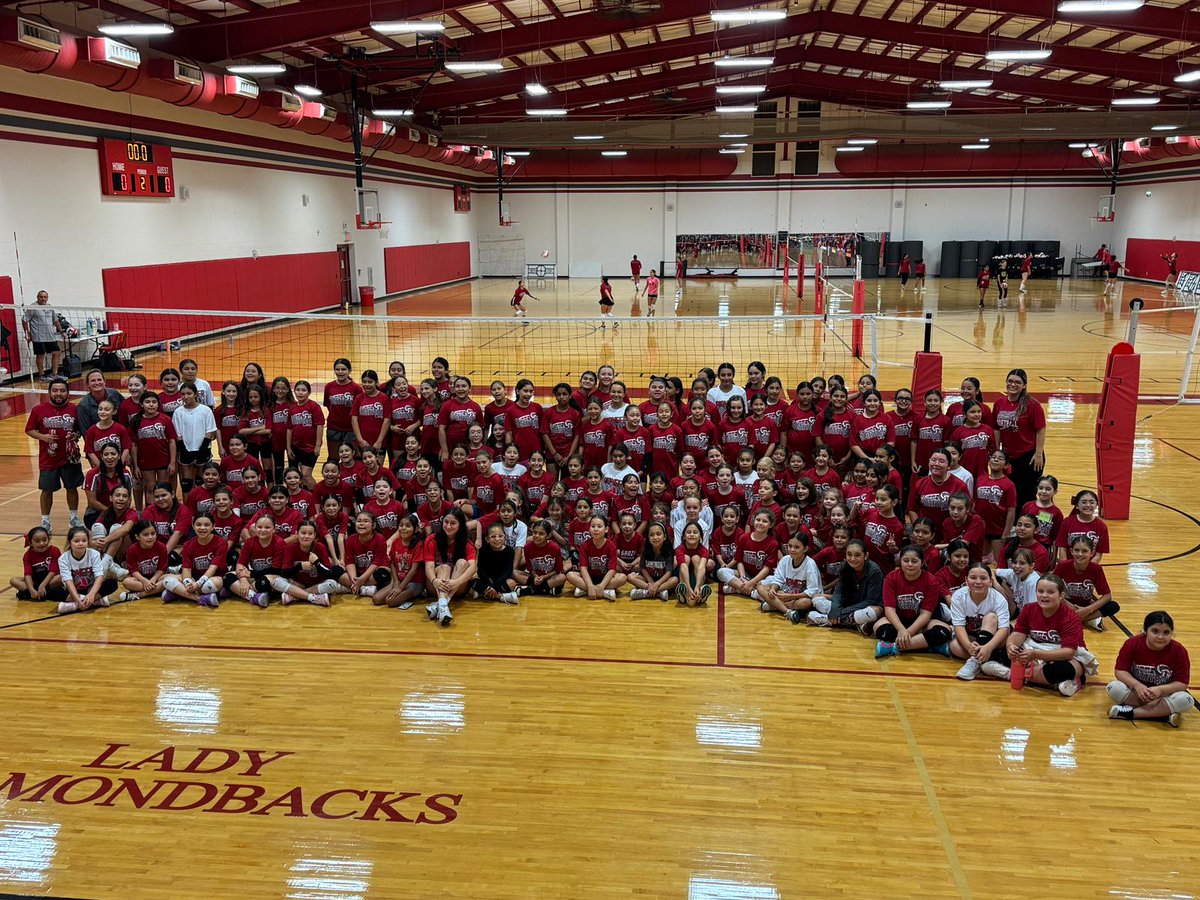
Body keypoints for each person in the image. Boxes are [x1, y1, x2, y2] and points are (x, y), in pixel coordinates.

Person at [1001, 573, 1099, 695]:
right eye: (1040, 591)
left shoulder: (1070, 617)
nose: (1044, 596)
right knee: (1002, 652)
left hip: (1064, 654)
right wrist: (1011, 645)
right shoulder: (1029, 609)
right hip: (1036, 649)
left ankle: (1013, 674)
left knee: (1061, 669)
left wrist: (1036, 655)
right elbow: (1018, 633)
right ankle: (1056, 682)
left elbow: (1068, 652)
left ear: (1061, 595)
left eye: (1050, 592)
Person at [1108, 611, 1192, 726]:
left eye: (1166, 632)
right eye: (1155, 631)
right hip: (1136, 693)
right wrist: (1137, 685)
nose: (1160, 637)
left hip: (1163, 695)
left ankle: (1129, 713)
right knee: (1113, 687)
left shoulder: (1179, 651)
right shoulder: (1132, 644)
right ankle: (1163, 715)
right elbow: (1120, 671)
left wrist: (1160, 690)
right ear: (1145, 631)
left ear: (1172, 634)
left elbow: (1182, 683)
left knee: (1186, 700)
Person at [873, 545, 952, 659]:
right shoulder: (891, 578)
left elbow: (926, 614)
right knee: (882, 630)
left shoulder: (931, 581)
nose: (909, 564)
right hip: (898, 621)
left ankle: (893, 647)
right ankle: (929, 646)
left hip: (922, 622)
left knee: (943, 632)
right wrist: (901, 630)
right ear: (900, 561)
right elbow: (889, 609)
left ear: (922, 562)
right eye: (905, 560)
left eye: (914, 561)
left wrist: (908, 633)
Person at [25, 377, 83, 533]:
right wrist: (44, 437)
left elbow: (81, 430)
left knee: (72, 488)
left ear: (68, 393)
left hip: (70, 457)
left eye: (62, 391)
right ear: (49, 392)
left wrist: (76, 436)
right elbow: (29, 429)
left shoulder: (75, 409)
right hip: (48, 458)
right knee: (46, 490)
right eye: (55, 390)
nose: (59, 394)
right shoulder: (39, 410)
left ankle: (73, 518)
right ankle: (45, 521)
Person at [992, 368, 1046, 509]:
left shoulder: (1032, 405)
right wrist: (998, 451)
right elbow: (996, 429)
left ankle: (1026, 525)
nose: (1013, 385)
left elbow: (1040, 429)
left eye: (1017, 382)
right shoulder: (999, 403)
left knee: (1027, 494)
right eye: (1010, 381)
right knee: (1011, 492)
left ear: (1024, 385)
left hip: (1029, 456)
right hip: (1009, 456)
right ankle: (1013, 524)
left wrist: (1039, 453)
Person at [948, 562, 1011, 680]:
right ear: (966, 580)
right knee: (954, 646)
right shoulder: (958, 596)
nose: (978, 582)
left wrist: (988, 647)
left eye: (983, 578)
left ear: (991, 581)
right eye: (973, 578)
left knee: (991, 617)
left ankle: (975, 661)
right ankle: (992, 662)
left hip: (996, 638)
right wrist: (968, 646)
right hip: (973, 637)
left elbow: (1004, 629)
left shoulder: (998, 599)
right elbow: (959, 626)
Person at [808, 539, 883, 628]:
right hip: (847, 604)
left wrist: (841, 613)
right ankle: (855, 623)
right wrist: (835, 610)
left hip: (863, 607)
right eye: (849, 554)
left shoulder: (874, 571)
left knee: (876, 611)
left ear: (866, 555)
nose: (852, 559)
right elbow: (838, 592)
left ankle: (828, 620)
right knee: (816, 598)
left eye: (857, 555)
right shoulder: (844, 566)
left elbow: (871, 600)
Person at [753, 532, 824, 623]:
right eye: (790, 546)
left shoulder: (810, 564)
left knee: (807, 603)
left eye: (797, 547)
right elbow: (778, 579)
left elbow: (812, 591)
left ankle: (773, 606)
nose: (792, 549)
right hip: (786, 593)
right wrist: (773, 589)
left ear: (805, 549)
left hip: (800, 597)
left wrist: (790, 596)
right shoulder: (785, 559)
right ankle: (788, 611)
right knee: (760, 587)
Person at [424, 508, 477, 626]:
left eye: (453, 523)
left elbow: (473, 568)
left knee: (463, 562)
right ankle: (443, 606)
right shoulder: (432, 539)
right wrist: (434, 580)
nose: (448, 526)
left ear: (460, 525)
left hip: (457, 587)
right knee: (445, 567)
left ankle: (440, 605)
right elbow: (429, 567)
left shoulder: (466, 543)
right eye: (446, 522)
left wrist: (457, 582)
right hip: (435, 585)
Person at [56, 525, 118, 614]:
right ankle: (97, 601)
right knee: (53, 592)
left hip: (91, 588)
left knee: (112, 583)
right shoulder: (63, 558)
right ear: (70, 542)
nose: (81, 543)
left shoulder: (94, 554)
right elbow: (68, 581)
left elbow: (99, 576)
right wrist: (78, 600)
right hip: (74, 591)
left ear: (88, 542)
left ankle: (73, 606)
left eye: (84, 541)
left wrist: (92, 594)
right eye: (76, 541)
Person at [172, 383, 217, 497]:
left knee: (201, 481)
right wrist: (185, 450)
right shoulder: (178, 412)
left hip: (203, 450)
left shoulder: (206, 410)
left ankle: (202, 510)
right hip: (185, 451)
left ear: (195, 394)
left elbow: (210, 432)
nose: (186, 396)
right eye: (183, 394)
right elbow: (178, 434)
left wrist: (201, 450)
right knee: (186, 483)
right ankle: (188, 511)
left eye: (189, 393)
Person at [11, 525, 64, 602]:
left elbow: (53, 571)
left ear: (48, 539)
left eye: (44, 540)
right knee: (14, 580)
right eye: (37, 541)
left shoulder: (54, 550)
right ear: (31, 543)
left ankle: (29, 594)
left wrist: (42, 585)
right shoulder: (28, 555)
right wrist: (32, 589)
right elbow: (28, 574)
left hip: (50, 581)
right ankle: (41, 594)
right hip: (35, 581)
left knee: (60, 578)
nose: (41, 543)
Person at [474, 522, 520, 605]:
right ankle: (501, 596)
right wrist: (489, 584)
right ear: (487, 539)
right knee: (472, 580)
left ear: (504, 537)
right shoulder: (483, 550)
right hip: (487, 580)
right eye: (493, 537)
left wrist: (494, 586)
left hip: (501, 581)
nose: (497, 539)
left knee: (512, 583)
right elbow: (480, 570)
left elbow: (508, 571)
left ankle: (484, 593)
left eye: (500, 536)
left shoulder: (509, 551)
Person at [21, 290, 62, 381]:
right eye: (41, 297)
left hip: (50, 336)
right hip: (38, 336)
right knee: (40, 355)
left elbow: (55, 320)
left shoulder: (49, 307)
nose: (43, 299)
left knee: (57, 352)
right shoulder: (33, 307)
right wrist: (27, 333)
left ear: (47, 298)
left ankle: (54, 374)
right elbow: (24, 320)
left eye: (45, 297)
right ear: (37, 297)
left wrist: (62, 331)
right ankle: (41, 375)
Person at [75, 369, 125, 435]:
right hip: (98, 440)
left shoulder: (114, 393)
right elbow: (86, 433)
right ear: (88, 384)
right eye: (93, 381)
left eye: (99, 379)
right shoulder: (83, 405)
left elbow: (126, 410)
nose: (97, 383)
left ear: (104, 381)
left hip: (119, 436)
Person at [674, 521, 711, 606]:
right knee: (686, 558)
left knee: (695, 558)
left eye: (695, 532)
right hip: (683, 578)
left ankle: (699, 593)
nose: (691, 534)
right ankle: (684, 593)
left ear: (701, 537)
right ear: (683, 536)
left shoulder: (704, 550)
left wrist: (697, 586)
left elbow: (702, 567)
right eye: (688, 532)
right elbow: (683, 567)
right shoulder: (679, 549)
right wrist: (689, 588)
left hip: (698, 579)